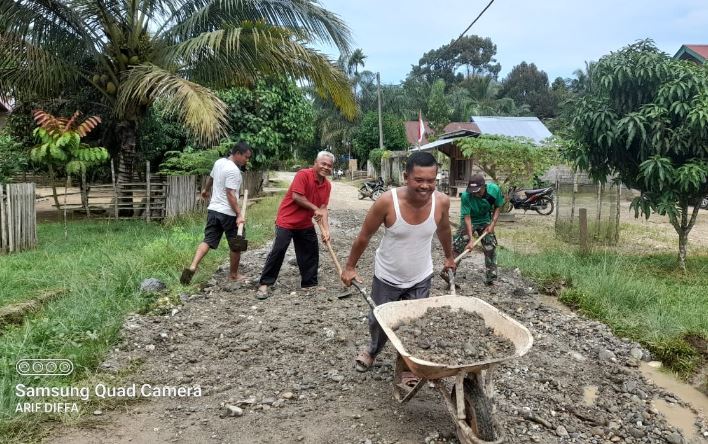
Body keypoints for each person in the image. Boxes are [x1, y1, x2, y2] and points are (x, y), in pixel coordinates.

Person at [340, 151, 456, 373]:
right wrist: (349, 267)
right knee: (378, 321)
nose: (425, 186)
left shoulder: (441, 202)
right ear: (406, 177)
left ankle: (405, 367)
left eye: (431, 180)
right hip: (387, 275)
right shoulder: (387, 202)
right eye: (419, 180)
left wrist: (449, 257)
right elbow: (364, 236)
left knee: (414, 323)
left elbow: (444, 230)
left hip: (421, 275)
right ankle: (373, 350)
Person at [256, 151, 334, 300]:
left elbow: (323, 208)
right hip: (287, 220)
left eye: (329, 166)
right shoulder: (303, 175)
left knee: (310, 251)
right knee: (278, 250)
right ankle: (264, 283)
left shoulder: (327, 185)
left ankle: (309, 284)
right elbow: (297, 197)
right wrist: (314, 208)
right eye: (323, 164)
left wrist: (326, 231)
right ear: (315, 163)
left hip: (304, 223)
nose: (326, 167)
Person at [180, 142, 253, 285]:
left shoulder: (219, 162)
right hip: (228, 213)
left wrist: (206, 190)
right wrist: (239, 214)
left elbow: (211, 178)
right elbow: (230, 194)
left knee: (208, 240)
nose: (247, 160)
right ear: (237, 154)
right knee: (236, 243)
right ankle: (233, 275)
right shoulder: (234, 171)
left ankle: (193, 266)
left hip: (213, 210)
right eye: (246, 157)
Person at [453, 173, 505, 286]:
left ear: (484, 186)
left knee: (490, 246)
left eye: (477, 191)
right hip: (470, 220)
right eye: (473, 191)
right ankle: (450, 273)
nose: (475, 193)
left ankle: (491, 276)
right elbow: (467, 217)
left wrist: (492, 224)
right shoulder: (466, 196)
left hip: (485, 220)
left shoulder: (494, 190)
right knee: (458, 245)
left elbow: (498, 206)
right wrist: (471, 239)